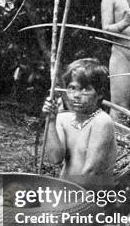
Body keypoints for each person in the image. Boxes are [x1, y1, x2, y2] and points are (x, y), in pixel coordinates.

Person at [42, 58, 117, 189]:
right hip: (67, 194)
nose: (76, 95)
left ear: (99, 94)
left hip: (91, 198)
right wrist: (51, 121)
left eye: (85, 89)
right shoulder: (62, 119)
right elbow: (55, 158)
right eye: (72, 88)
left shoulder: (101, 121)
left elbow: (90, 173)